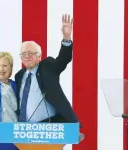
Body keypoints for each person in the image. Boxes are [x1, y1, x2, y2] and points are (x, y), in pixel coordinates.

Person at [15, 14, 85, 142]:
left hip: (49, 130)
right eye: (24, 53)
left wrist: (66, 37)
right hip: (24, 131)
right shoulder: (19, 76)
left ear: (39, 56)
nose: (27, 56)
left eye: (31, 53)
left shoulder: (48, 66)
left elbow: (63, 59)